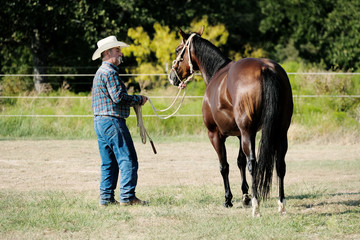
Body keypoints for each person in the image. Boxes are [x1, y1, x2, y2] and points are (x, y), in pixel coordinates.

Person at [91, 36, 148, 206]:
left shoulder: (100, 72)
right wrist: (138, 99)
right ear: (108, 52)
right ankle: (128, 197)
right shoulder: (110, 72)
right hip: (112, 121)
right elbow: (118, 97)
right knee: (128, 159)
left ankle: (106, 198)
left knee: (108, 163)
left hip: (100, 122)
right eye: (117, 50)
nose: (121, 53)